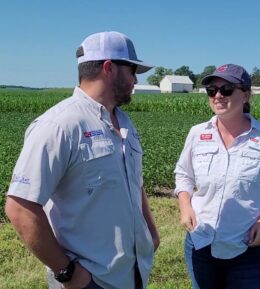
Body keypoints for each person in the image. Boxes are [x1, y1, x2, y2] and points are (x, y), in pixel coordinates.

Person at [5, 31, 160, 289]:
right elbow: (20, 207)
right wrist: (67, 273)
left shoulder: (124, 122)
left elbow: (134, 181)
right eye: (133, 70)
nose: (135, 79)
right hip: (90, 280)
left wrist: (150, 232)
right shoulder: (60, 125)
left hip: (131, 272)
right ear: (109, 68)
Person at [174, 64, 260, 289]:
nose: (218, 95)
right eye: (212, 90)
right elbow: (183, 174)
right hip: (201, 243)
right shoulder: (197, 134)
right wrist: (185, 205)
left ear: (246, 94)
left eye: (227, 89)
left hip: (246, 248)